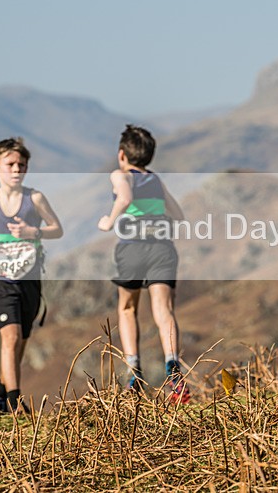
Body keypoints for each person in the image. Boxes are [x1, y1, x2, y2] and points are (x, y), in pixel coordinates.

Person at [0, 137, 63, 414]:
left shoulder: (35, 198)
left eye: (22, 164)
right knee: (10, 337)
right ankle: (14, 402)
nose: (17, 169)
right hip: (1, 279)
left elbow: (57, 228)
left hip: (29, 279)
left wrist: (34, 232)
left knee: (20, 341)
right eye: (10, 164)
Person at [98, 124, 190, 404]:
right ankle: (174, 370)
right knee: (164, 309)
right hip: (162, 248)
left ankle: (133, 373)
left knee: (127, 308)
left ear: (121, 154)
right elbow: (178, 214)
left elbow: (125, 197)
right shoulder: (156, 180)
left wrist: (109, 221)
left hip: (133, 249)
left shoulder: (120, 175)